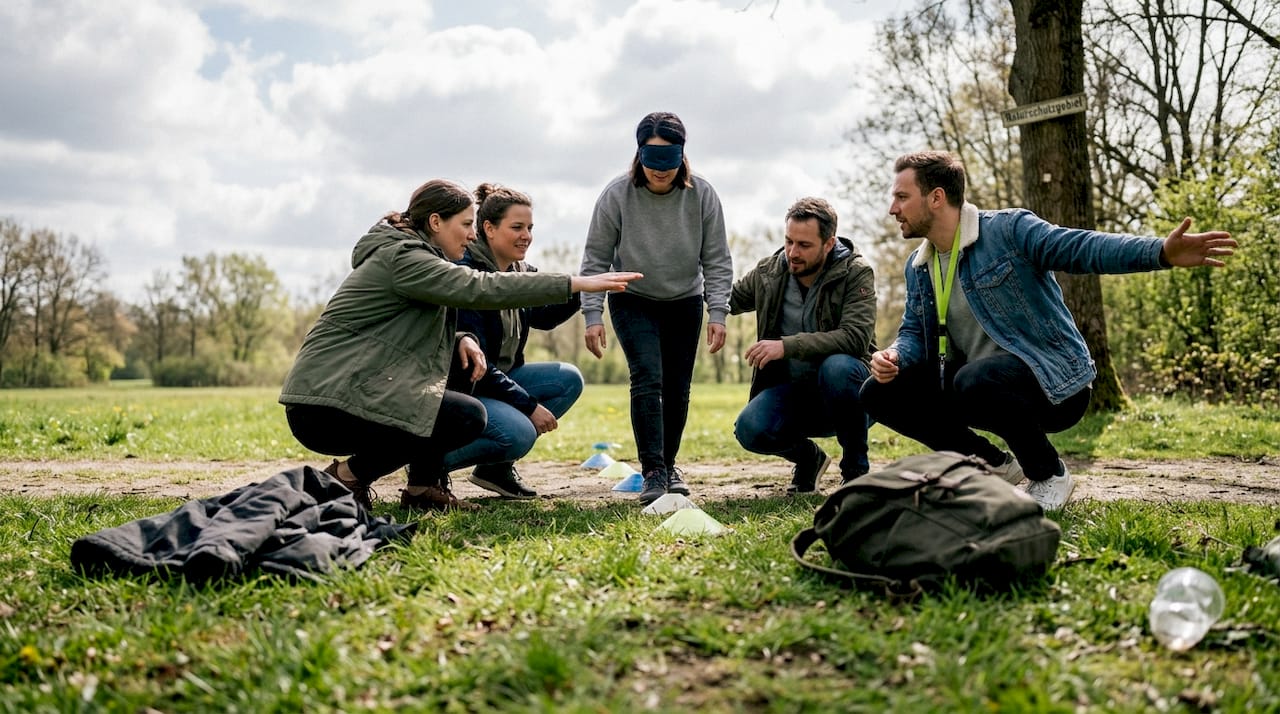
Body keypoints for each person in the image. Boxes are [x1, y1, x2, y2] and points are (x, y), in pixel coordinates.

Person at [861, 151, 1236, 511]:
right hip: (978, 388)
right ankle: (993, 464)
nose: (893, 208)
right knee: (878, 392)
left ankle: (1049, 475)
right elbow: (914, 332)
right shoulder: (920, 265)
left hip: (1054, 386)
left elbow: (1082, 248)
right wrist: (895, 355)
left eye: (902, 197)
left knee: (976, 379)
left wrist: (1160, 252)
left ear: (937, 198)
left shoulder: (1008, 231)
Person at [280, 179, 641, 512]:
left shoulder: (421, 259)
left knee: (458, 386)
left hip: (356, 391)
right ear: (436, 222)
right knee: (464, 416)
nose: (471, 236)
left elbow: (404, 330)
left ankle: (423, 490)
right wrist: (576, 283)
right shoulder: (406, 259)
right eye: (466, 225)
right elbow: (481, 287)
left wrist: (459, 339)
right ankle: (346, 477)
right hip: (326, 405)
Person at [579, 111, 733, 506]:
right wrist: (593, 315)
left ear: (682, 155)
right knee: (647, 376)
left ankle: (669, 464)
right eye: (652, 158)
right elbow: (595, 259)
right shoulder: (617, 195)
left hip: (684, 300)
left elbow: (716, 259)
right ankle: (653, 471)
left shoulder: (702, 195)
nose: (659, 170)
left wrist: (718, 312)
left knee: (678, 387)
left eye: (669, 159)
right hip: (632, 298)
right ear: (639, 154)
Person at [441, 183, 584, 499]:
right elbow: (478, 367)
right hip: (469, 387)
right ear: (489, 229)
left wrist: (586, 286)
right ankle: (430, 460)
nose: (527, 236)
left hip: (502, 379)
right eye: (517, 227)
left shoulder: (521, 271)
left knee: (567, 380)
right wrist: (529, 406)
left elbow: (544, 317)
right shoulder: (467, 276)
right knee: (517, 433)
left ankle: (495, 470)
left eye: (530, 227)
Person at [730, 197, 878, 493]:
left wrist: (786, 346)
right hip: (794, 393)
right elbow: (726, 299)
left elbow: (855, 337)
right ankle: (809, 460)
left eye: (804, 245)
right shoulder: (768, 272)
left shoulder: (856, 272)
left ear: (828, 243)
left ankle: (856, 472)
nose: (792, 253)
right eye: (788, 241)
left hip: (851, 392)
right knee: (749, 429)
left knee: (837, 367)